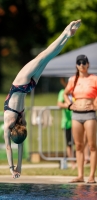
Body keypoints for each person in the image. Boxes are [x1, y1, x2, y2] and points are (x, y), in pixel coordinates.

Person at [4, 19, 81, 179]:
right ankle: (67, 32)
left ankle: (68, 35)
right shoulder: (9, 122)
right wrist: (12, 167)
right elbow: (9, 147)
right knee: (45, 55)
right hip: (19, 84)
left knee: (48, 56)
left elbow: (19, 146)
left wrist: (17, 168)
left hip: (29, 85)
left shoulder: (21, 122)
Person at [64, 54, 97, 184]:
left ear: (88, 64)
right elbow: (66, 93)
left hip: (89, 114)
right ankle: (80, 175)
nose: (82, 65)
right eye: (79, 63)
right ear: (76, 65)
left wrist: (95, 105)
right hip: (76, 114)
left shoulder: (94, 78)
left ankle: (91, 176)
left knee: (92, 145)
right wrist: (69, 105)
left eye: (84, 62)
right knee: (78, 145)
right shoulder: (73, 79)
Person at [57, 78, 76, 169]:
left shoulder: (77, 91)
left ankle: (83, 161)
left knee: (81, 143)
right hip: (67, 122)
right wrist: (69, 106)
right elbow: (59, 104)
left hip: (78, 121)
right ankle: (73, 163)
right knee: (69, 144)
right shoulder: (63, 92)